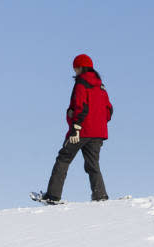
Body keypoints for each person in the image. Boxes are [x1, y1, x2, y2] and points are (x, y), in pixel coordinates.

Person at [41, 54, 113, 203]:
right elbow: (109, 109)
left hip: (81, 130)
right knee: (93, 164)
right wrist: (98, 122)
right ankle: (100, 196)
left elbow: (81, 106)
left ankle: (53, 195)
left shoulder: (82, 83)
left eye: (75, 68)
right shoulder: (101, 86)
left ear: (80, 67)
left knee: (63, 159)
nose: (75, 72)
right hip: (98, 133)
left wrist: (76, 127)